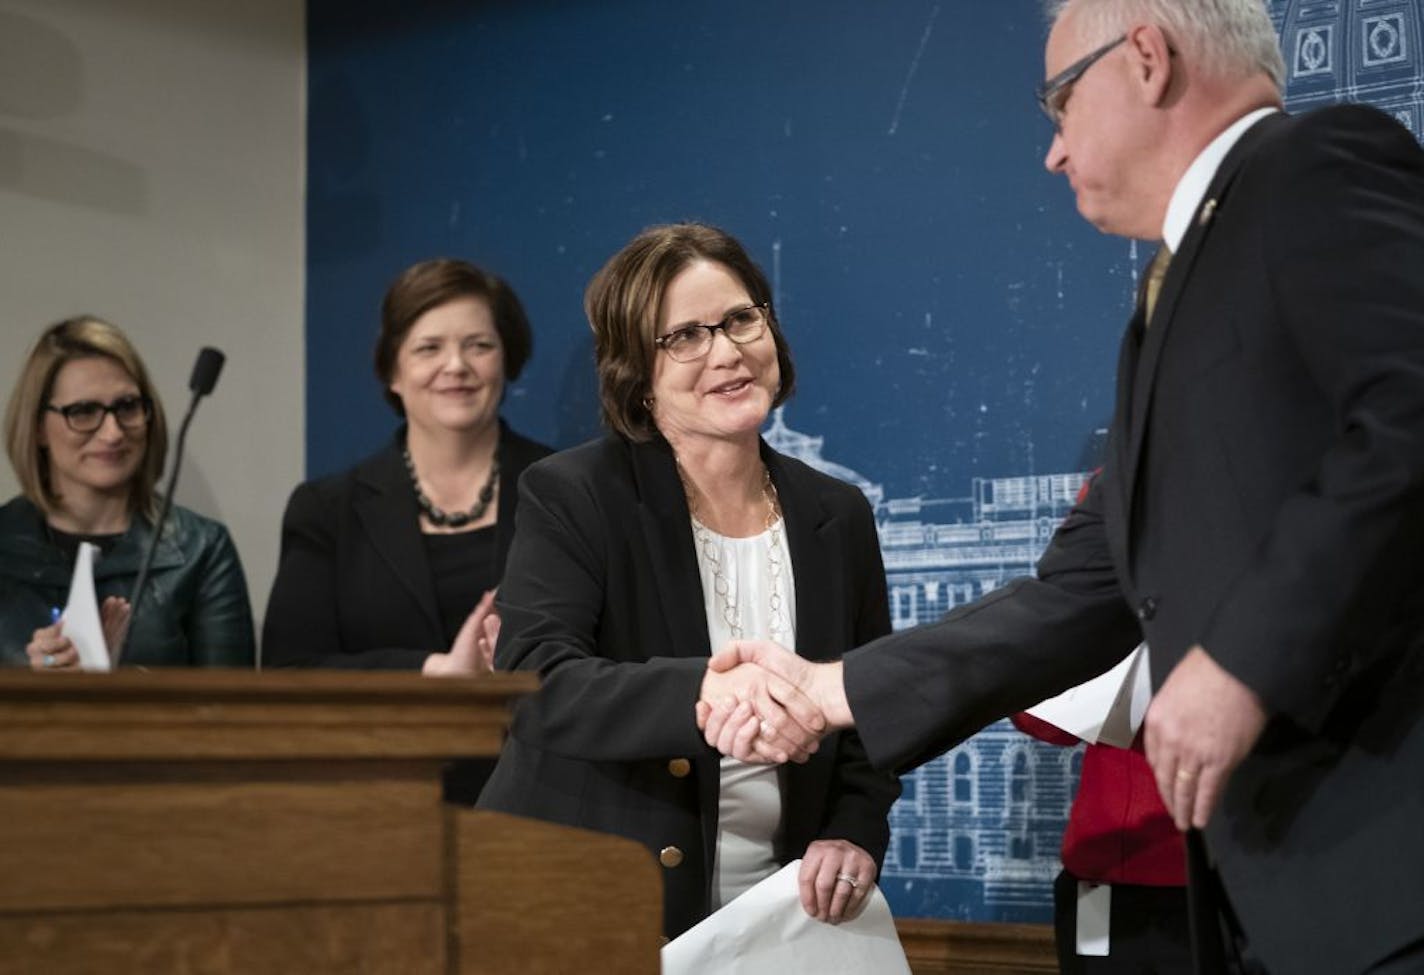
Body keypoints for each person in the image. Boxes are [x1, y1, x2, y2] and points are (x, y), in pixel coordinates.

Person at [700, 2, 1424, 973]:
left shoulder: (1313, 164)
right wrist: (830, 688)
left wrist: (1239, 660)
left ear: (1144, 58)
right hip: (1280, 902)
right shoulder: (1163, 303)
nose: (1051, 153)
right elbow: (1082, 596)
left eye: (1057, 105)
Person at [475, 223, 900, 940]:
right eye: (685, 337)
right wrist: (704, 690)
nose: (727, 352)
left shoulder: (838, 512)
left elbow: (864, 702)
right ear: (636, 373)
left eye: (740, 319)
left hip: (771, 915)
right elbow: (534, 680)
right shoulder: (575, 492)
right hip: (584, 905)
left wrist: (853, 830)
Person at [263, 259, 553, 684]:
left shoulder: (563, 492)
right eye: (428, 348)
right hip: (380, 747)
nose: (456, 365)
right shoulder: (327, 509)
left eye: (479, 345)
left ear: (507, 361)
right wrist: (434, 670)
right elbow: (288, 668)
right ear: (392, 372)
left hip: (536, 743)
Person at [0, 316, 255, 669]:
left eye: (127, 407)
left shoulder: (202, 549)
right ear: (39, 428)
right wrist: (35, 688)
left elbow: (230, 713)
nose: (113, 433)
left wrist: (118, 682)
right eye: (84, 411)